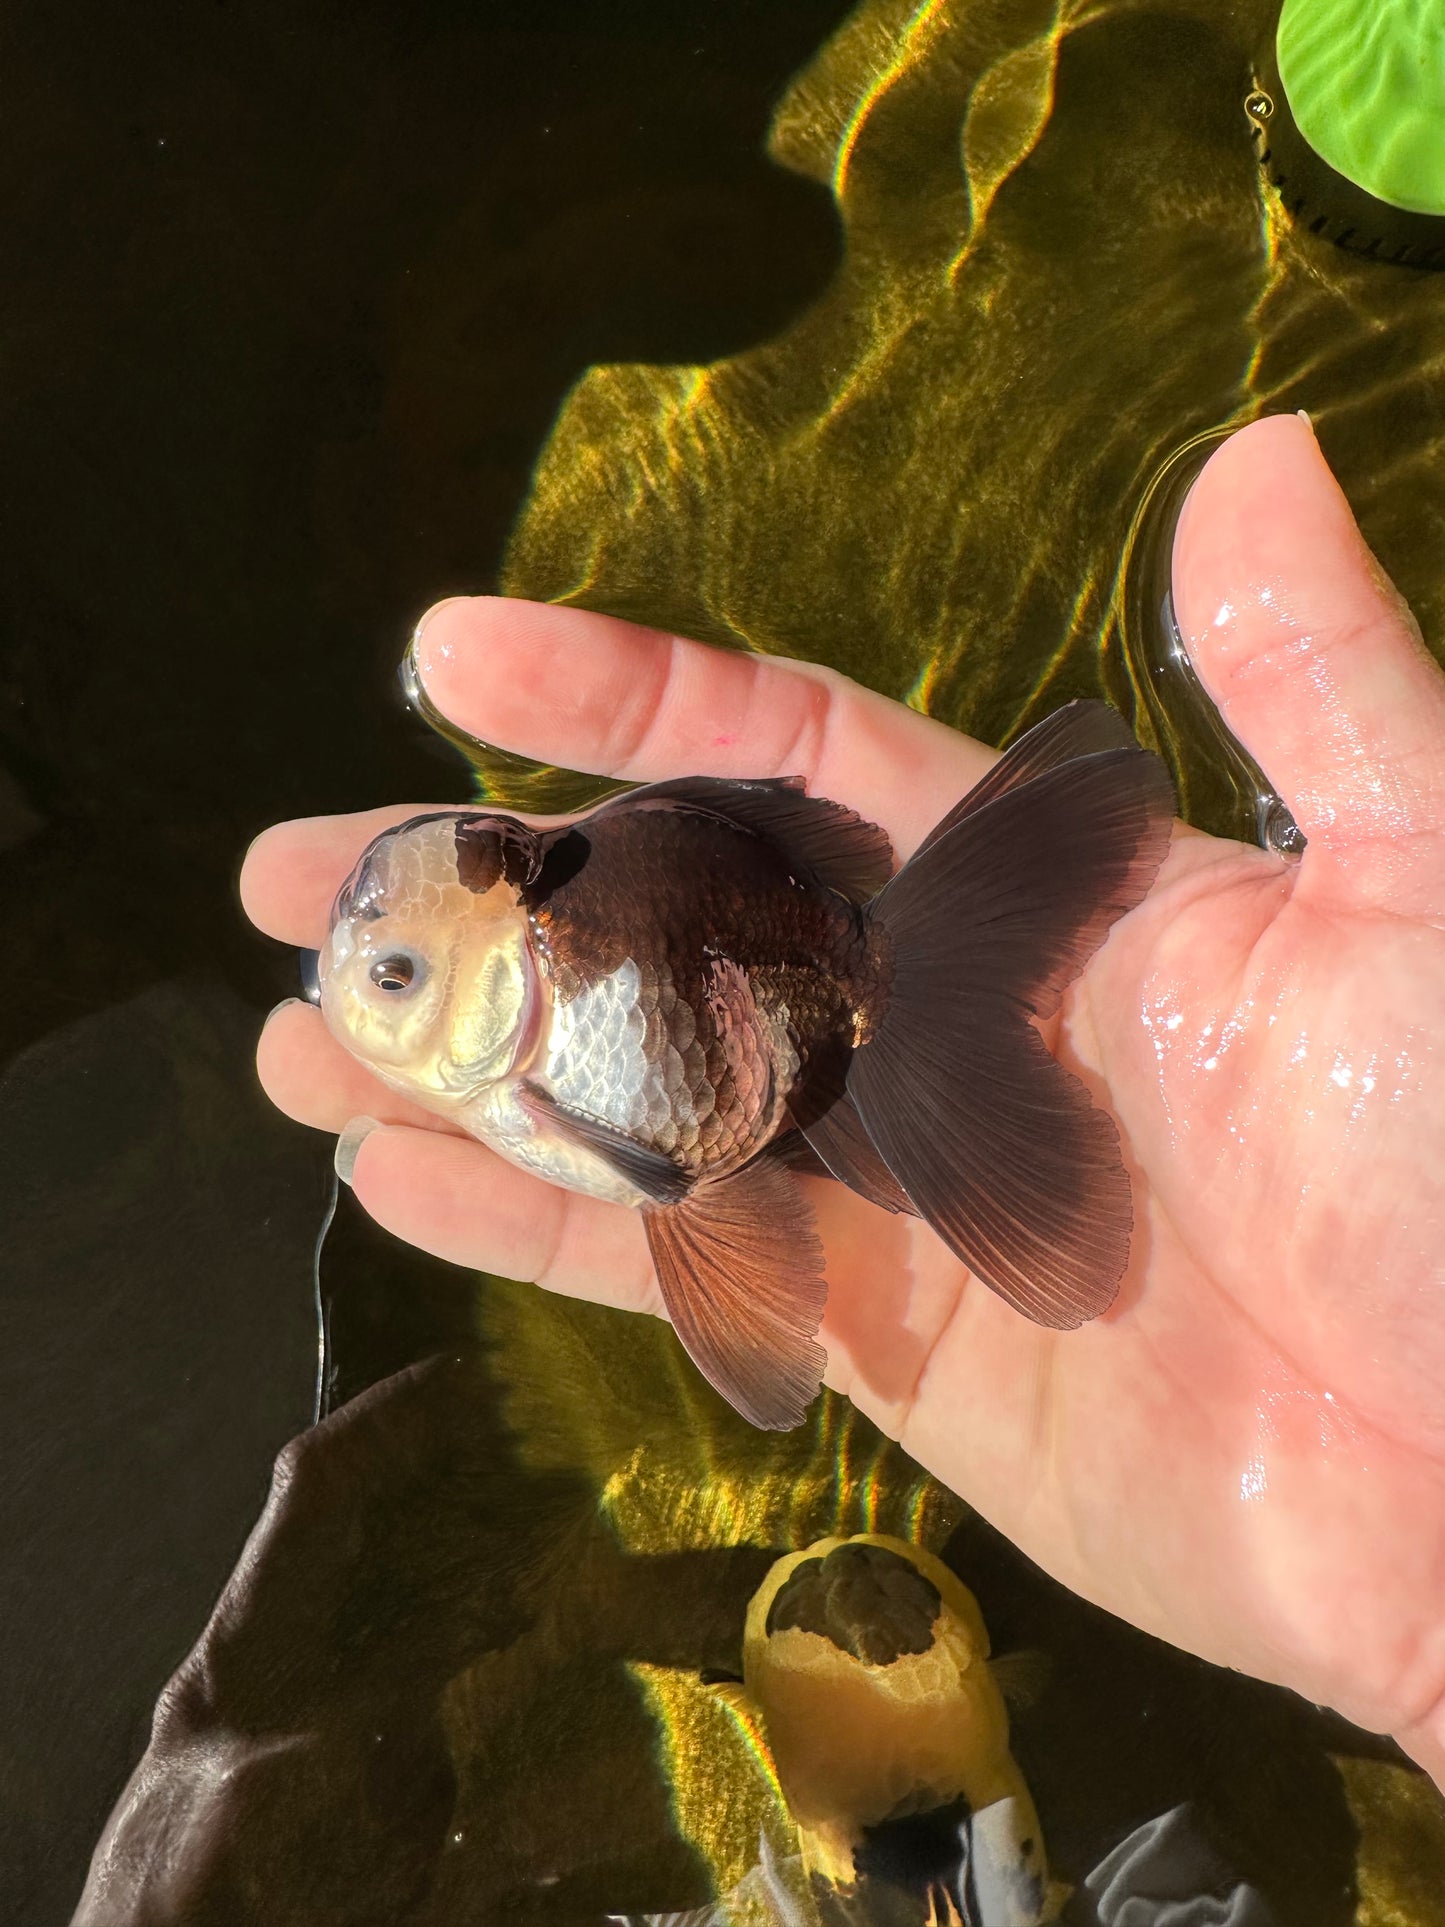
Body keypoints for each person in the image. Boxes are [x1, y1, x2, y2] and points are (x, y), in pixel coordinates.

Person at [242, 413, 1445, 1786]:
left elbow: (672, 1180)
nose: (364, 1003)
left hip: (796, 1016)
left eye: (393, 978)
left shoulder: (590, 1038)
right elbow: (685, 1198)